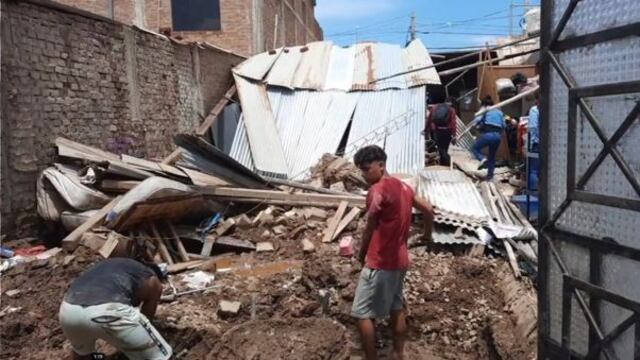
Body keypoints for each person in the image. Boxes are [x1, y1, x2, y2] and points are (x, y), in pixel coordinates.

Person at [351, 145, 434, 360]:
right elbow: (428, 210)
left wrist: (362, 255)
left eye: (366, 169)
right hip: (400, 261)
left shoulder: (377, 191)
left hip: (380, 261)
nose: (364, 174)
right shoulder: (403, 188)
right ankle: (398, 354)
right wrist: (427, 235)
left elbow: (370, 226)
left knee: (362, 313)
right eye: (361, 170)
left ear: (381, 165)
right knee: (396, 306)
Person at [58, 258, 172, 360]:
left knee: (82, 355)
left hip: (68, 311)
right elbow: (148, 313)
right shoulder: (150, 276)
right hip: (108, 310)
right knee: (161, 355)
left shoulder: (115, 266)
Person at [471, 96, 506, 180]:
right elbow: (504, 126)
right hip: (497, 137)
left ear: (484, 105)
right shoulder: (499, 112)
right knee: (492, 156)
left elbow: (476, 122)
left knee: (474, 149)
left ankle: (483, 159)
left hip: (488, 135)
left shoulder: (485, 111)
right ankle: (490, 176)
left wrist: (477, 126)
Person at [425, 97, 458, 166]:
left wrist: (426, 130)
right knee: (444, 149)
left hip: (437, 130)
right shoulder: (451, 110)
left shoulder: (434, 107)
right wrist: (454, 135)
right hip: (447, 131)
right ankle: (448, 163)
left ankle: (443, 164)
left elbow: (429, 119)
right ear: (451, 103)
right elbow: (453, 123)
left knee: (440, 149)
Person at [527, 93, 540, 189]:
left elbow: (533, 127)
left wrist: (530, 145)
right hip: (551, 144)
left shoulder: (534, 110)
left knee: (534, 170)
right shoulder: (552, 108)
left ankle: (534, 193)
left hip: (537, 144)